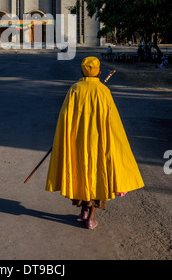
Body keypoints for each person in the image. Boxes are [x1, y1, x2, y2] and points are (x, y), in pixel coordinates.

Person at [45, 57, 144, 230]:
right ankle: (90, 219)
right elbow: (113, 123)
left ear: (82, 71)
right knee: (97, 178)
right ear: (98, 72)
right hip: (99, 144)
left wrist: (63, 137)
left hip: (78, 143)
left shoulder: (75, 89)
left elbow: (65, 118)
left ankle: (83, 212)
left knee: (81, 174)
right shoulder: (103, 91)